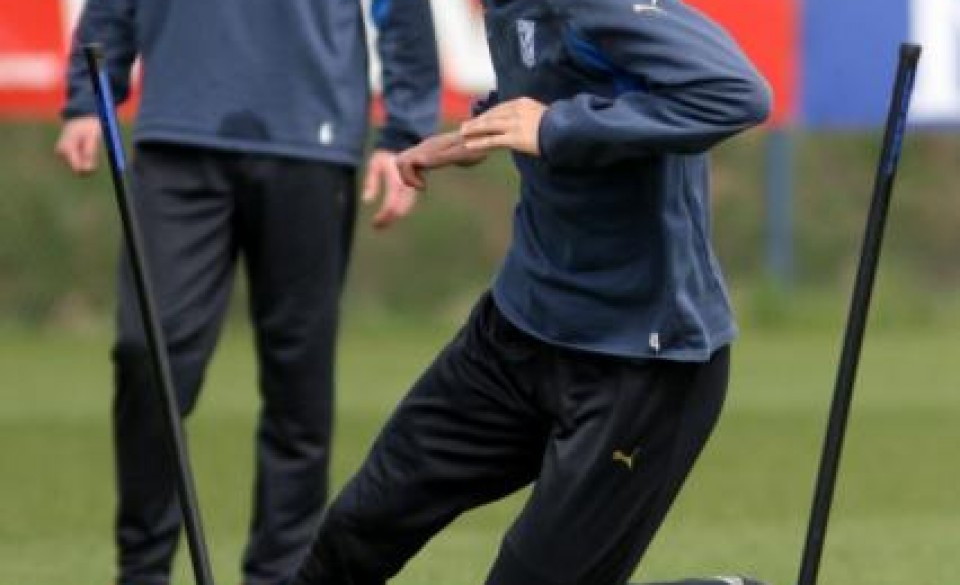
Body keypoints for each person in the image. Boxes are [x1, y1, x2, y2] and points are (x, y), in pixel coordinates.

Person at [291, 1, 771, 585]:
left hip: (641, 365)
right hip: (515, 334)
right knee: (355, 533)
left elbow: (736, 94)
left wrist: (554, 128)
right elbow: (558, 77)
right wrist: (478, 131)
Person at [54, 1, 440, 584]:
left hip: (312, 132)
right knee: (146, 353)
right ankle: (143, 571)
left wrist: (405, 129)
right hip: (178, 128)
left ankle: (280, 574)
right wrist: (89, 97)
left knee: (298, 381)